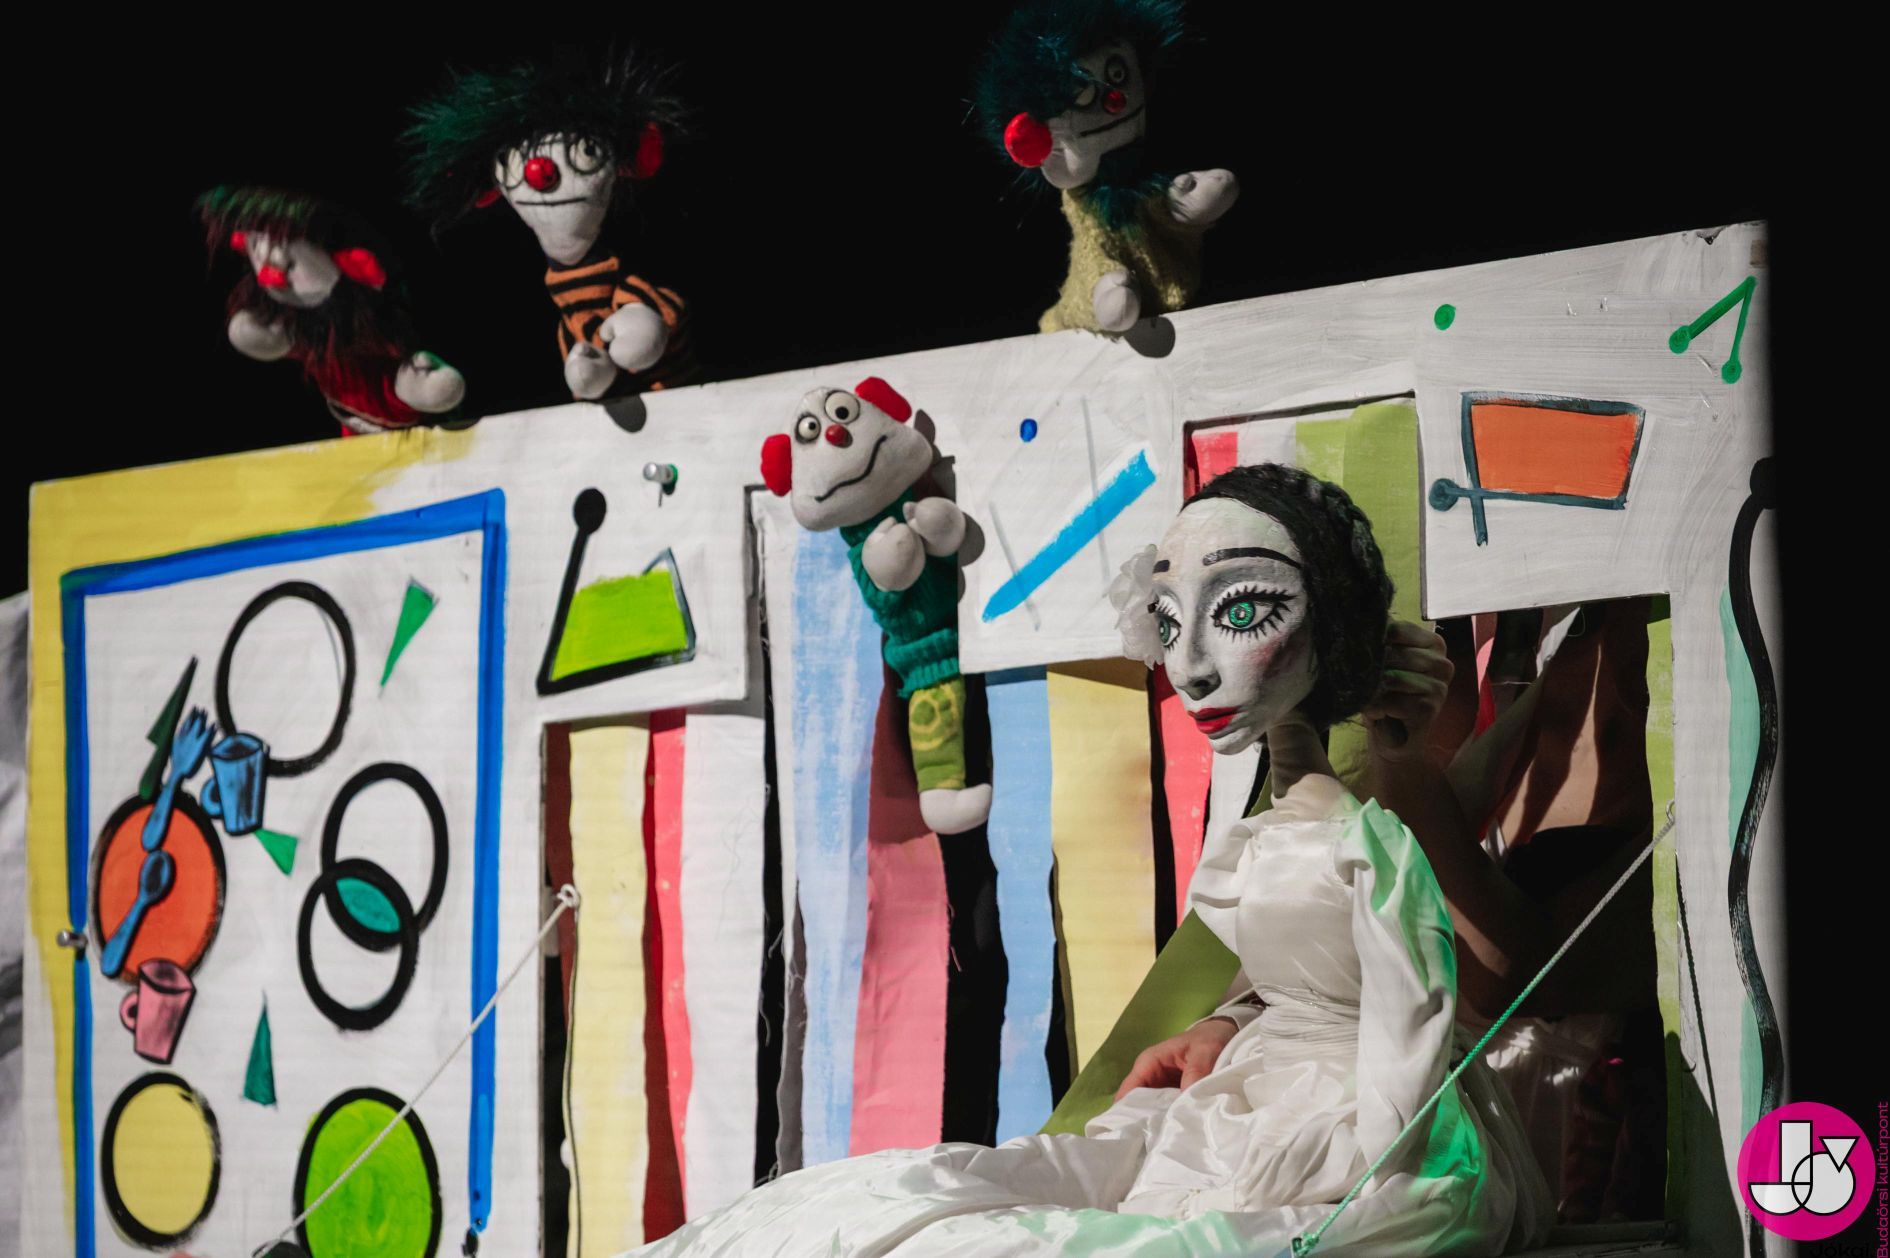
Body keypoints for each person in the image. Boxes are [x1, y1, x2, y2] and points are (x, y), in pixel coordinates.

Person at [627, 464, 1551, 1256]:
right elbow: (1299, 968)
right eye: (1170, 620)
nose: (1191, 665)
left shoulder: (1364, 844)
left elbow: (1416, 1010)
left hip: (1353, 1117)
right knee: (915, 1201)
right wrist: (1231, 1027)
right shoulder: (1275, 829)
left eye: (1242, 611)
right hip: (1252, 1088)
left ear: (1331, 625)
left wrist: (1381, 1160)